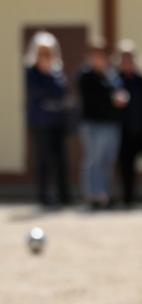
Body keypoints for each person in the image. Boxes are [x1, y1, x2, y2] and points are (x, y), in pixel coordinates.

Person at [78, 40, 128, 209]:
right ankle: (93, 196)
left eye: (101, 55)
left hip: (111, 124)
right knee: (94, 160)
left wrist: (120, 98)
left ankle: (106, 195)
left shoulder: (111, 76)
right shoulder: (86, 76)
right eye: (95, 55)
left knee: (108, 161)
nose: (98, 59)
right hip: (93, 125)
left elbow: (120, 92)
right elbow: (94, 99)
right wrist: (111, 99)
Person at [25, 31, 70, 208]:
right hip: (40, 123)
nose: (46, 57)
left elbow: (62, 93)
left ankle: (64, 195)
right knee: (43, 159)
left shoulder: (57, 73)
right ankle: (44, 195)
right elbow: (38, 94)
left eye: (48, 53)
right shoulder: (31, 73)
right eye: (42, 53)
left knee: (60, 159)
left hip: (57, 122)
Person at [116, 40, 142, 208]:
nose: (127, 63)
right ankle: (118, 196)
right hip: (118, 130)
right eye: (124, 59)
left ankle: (129, 197)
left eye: (130, 59)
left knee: (131, 164)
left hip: (137, 129)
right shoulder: (114, 80)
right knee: (121, 164)